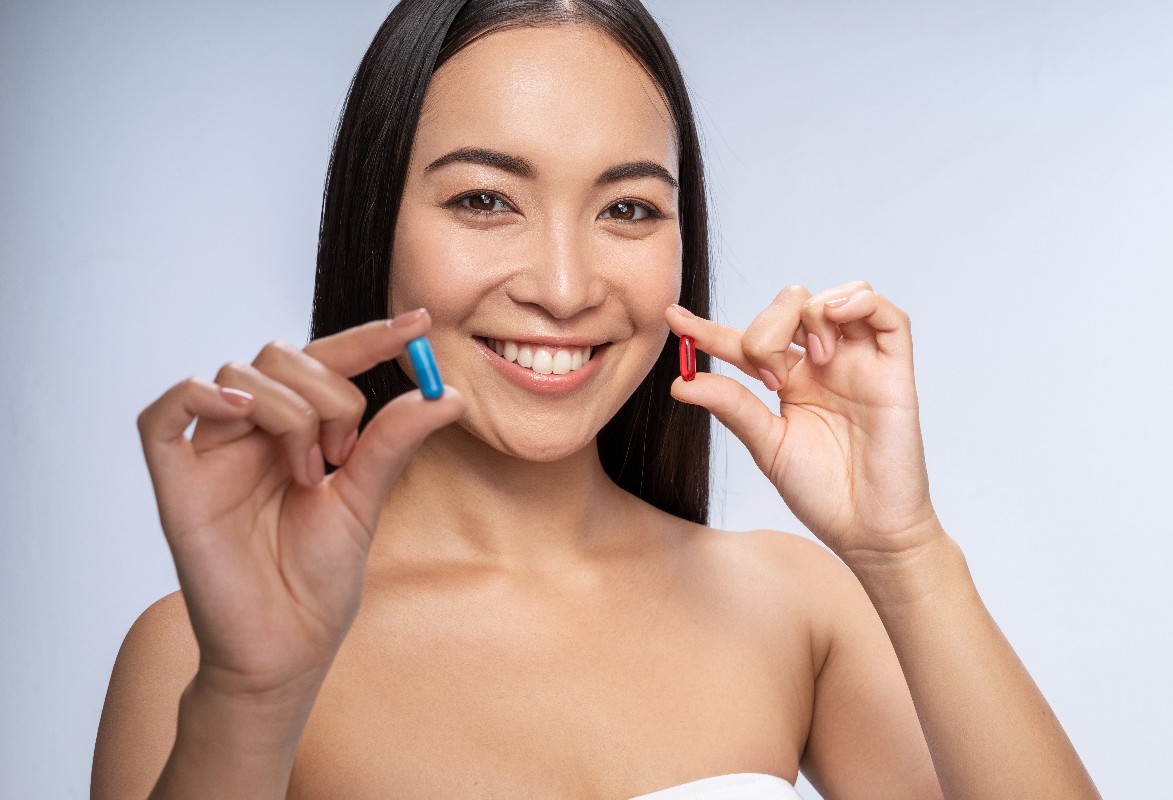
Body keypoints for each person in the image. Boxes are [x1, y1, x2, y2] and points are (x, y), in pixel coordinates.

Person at [91, 1, 1101, 798]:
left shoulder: (792, 608)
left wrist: (907, 551)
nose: (567, 287)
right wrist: (254, 696)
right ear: (377, 220)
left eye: (627, 208)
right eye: (485, 199)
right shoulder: (200, 652)